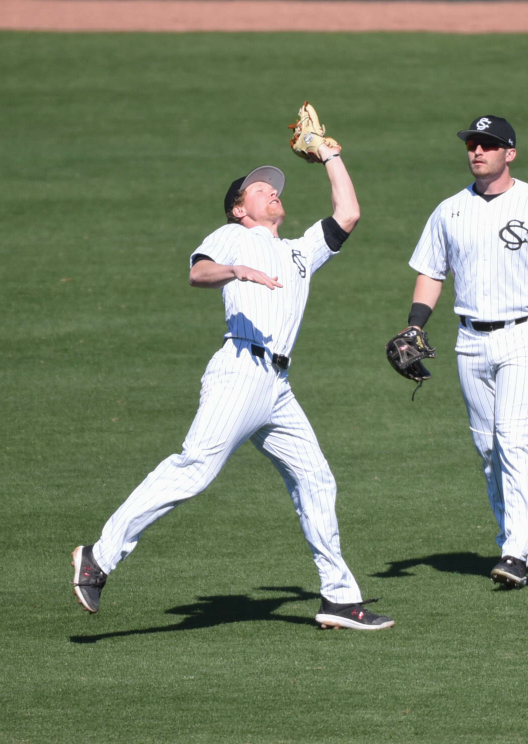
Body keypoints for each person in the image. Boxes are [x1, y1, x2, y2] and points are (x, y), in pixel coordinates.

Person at [72, 143, 394, 630]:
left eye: (274, 188)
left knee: (315, 478)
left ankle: (338, 599)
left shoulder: (299, 252)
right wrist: (236, 270)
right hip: (240, 369)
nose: (272, 191)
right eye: (259, 188)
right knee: (195, 468)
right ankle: (99, 556)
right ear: (240, 209)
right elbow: (197, 272)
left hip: (277, 387)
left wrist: (330, 155)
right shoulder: (232, 236)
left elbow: (347, 213)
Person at [402, 115, 528, 588]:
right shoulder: (449, 210)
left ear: (509, 153)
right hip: (469, 340)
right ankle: (507, 543)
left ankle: (517, 552)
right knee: (489, 447)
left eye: (489, 145)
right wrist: (414, 327)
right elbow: (431, 272)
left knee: (514, 439)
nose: (478, 151)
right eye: (473, 144)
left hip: (525, 335)